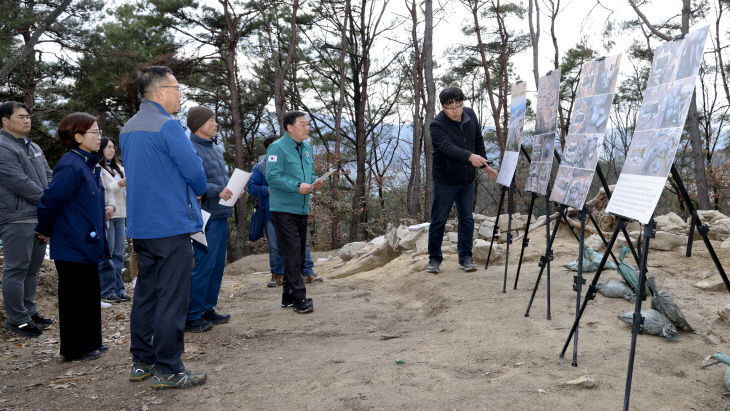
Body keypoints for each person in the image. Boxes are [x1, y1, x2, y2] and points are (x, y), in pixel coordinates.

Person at [120, 66, 208, 389]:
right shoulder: (168, 127)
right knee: (173, 297)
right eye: (175, 89)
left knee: (146, 294)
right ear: (159, 92)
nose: (179, 95)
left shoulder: (128, 128)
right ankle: (169, 368)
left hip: (141, 226)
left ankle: (141, 361)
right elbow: (196, 173)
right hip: (170, 224)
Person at [36, 112, 107, 361]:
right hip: (72, 240)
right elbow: (50, 201)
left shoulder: (87, 163)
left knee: (89, 292)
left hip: (86, 240)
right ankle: (74, 349)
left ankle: (91, 342)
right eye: (94, 132)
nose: (100, 137)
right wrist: (44, 229)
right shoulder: (71, 164)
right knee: (74, 296)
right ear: (77, 137)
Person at [427, 87, 497, 274]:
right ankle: (434, 259)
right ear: (442, 107)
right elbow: (447, 147)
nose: (456, 111)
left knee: (467, 219)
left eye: (459, 105)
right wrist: (469, 157)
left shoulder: (470, 115)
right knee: (438, 220)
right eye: (451, 108)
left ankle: (465, 257)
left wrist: (484, 163)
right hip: (445, 180)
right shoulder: (436, 125)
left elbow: (478, 140)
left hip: (467, 179)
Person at [0, 101, 54, 338]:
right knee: (17, 269)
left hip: (39, 215)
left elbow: (49, 174)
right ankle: (18, 320)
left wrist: (53, 196)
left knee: (32, 269)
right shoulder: (3, 147)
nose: (27, 120)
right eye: (21, 116)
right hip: (17, 218)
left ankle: (30, 312)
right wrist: (48, 200)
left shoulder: (33, 146)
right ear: (5, 120)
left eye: (28, 116)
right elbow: (18, 182)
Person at [266, 112, 323, 314]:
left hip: (301, 208)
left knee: (297, 252)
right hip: (283, 209)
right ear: (290, 127)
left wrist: (315, 181)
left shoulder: (306, 148)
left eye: (308, 124)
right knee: (292, 253)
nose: (307, 128)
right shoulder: (277, 148)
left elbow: (309, 173)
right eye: (302, 124)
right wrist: (297, 186)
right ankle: (300, 298)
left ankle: (288, 296)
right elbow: (272, 176)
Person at [248, 134, 321, 289]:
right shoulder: (260, 167)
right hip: (270, 212)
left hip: (292, 209)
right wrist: (268, 190)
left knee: (301, 243)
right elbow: (251, 187)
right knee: (275, 245)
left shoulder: (290, 165)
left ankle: (307, 271)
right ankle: (277, 274)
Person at [184, 106, 232, 333]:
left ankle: (207, 308)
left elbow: (219, 177)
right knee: (204, 265)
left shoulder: (215, 148)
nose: (216, 123)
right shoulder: (190, 148)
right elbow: (192, 181)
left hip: (221, 212)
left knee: (216, 266)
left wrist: (231, 188)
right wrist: (217, 190)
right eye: (211, 120)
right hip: (205, 216)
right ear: (199, 124)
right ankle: (192, 315)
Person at [97, 138, 130, 304]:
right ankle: (107, 290)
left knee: (118, 253)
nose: (112, 150)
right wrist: (118, 184)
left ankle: (119, 288)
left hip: (121, 214)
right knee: (107, 254)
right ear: (101, 149)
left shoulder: (119, 168)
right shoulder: (97, 168)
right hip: (107, 215)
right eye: (108, 147)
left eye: (113, 147)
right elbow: (103, 188)